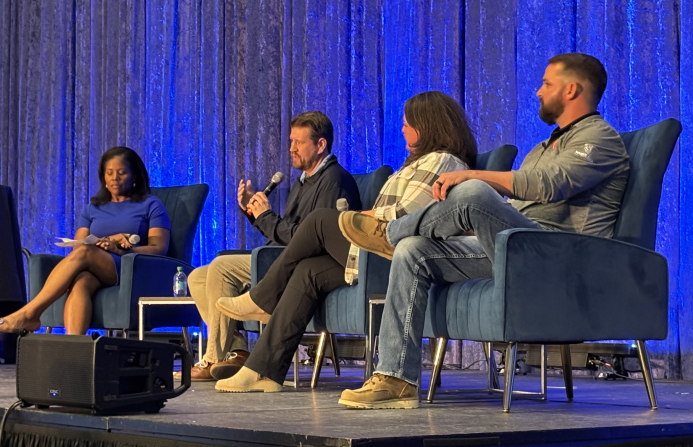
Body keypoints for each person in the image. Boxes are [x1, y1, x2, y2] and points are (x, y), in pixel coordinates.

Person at [337, 53, 629, 409]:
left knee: (472, 192)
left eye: (546, 84)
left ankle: (389, 232)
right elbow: (521, 206)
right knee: (413, 250)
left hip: (560, 254)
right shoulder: (543, 147)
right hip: (514, 248)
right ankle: (396, 379)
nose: (538, 91)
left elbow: (549, 185)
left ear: (571, 90)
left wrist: (474, 176)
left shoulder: (601, 138)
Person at [213, 91, 478, 393]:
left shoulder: (444, 161)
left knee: (321, 220)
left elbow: (408, 215)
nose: (402, 130)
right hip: (376, 251)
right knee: (309, 270)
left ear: (428, 125)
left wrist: (360, 216)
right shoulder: (414, 164)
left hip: (400, 255)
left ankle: (262, 298)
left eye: (407, 124)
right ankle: (263, 371)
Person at [186, 111, 361, 381]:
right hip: (278, 257)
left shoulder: (334, 182)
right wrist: (254, 214)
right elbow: (284, 233)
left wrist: (266, 217)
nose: (291, 148)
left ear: (321, 145)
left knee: (221, 267)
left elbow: (309, 241)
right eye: (291, 141)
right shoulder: (302, 182)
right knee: (197, 276)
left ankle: (214, 358)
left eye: (299, 142)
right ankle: (237, 350)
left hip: (299, 263)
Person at [0, 146, 171, 334]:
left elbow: (159, 248)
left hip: (131, 267)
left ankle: (30, 313)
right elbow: (79, 246)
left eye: (122, 173)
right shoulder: (92, 208)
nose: (115, 178)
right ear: (103, 177)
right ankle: (74, 350)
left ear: (134, 176)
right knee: (81, 281)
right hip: (97, 267)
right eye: (109, 173)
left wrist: (122, 250)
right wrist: (109, 239)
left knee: (85, 253)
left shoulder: (151, 204)